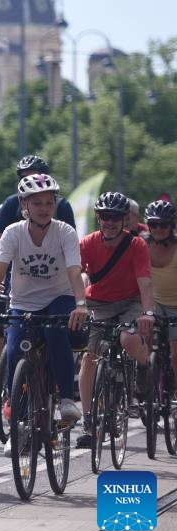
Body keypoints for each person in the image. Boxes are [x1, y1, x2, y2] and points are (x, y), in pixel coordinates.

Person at [0, 173, 88, 456]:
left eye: (49, 202)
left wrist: (81, 304)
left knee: (54, 331)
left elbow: (75, 271)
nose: (45, 208)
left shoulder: (65, 232)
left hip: (59, 298)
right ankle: (19, 426)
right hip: (23, 302)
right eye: (37, 203)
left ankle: (65, 400)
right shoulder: (13, 233)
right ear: (24, 204)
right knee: (13, 352)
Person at [74, 191, 155, 449]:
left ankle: (143, 368)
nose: (109, 222)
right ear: (98, 218)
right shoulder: (87, 243)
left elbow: (144, 282)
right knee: (89, 358)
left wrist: (148, 313)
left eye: (115, 218)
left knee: (129, 338)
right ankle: (88, 421)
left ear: (124, 221)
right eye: (104, 217)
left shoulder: (136, 245)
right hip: (97, 303)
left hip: (130, 302)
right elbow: (80, 276)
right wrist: (79, 304)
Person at [0, 155, 75, 240]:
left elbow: (71, 240)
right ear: (22, 202)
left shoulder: (62, 206)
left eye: (49, 203)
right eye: (24, 179)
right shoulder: (11, 204)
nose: (29, 182)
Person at [146, 200, 177, 380]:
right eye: (153, 224)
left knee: (176, 355)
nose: (158, 229)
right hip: (153, 302)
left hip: (176, 306)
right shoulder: (141, 244)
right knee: (144, 340)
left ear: (171, 225)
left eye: (163, 224)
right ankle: (144, 384)